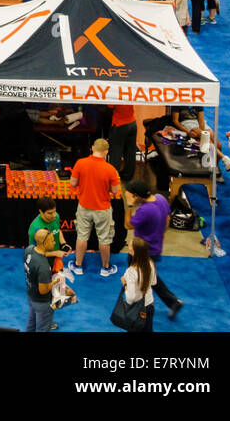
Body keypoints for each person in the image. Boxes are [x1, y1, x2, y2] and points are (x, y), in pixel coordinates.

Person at [124, 180, 183, 319]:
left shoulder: (145, 210)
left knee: (141, 277)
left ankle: (136, 304)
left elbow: (127, 225)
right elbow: (168, 219)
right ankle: (172, 302)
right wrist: (159, 234)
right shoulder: (161, 198)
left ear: (136, 196)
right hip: (155, 246)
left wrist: (129, 204)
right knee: (150, 276)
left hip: (141, 250)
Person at [66, 138, 122, 279]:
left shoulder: (80, 163)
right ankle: (105, 268)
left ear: (92, 148)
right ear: (106, 152)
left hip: (84, 206)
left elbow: (73, 182)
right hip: (103, 208)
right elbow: (115, 191)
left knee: (82, 235)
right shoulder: (111, 169)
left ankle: (78, 265)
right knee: (104, 239)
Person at [25, 227, 63, 332]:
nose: (55, 243)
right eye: (52, 241)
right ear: (44, 243)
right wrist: (55, 282)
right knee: (43, 329)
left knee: (31, 325)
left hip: (31, 294)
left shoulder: (29, 249)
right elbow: (43, 290)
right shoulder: (43, 266)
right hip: (42, 302)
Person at [118, 236, 158, 332]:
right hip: (149, 305)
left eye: (130, 246)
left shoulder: (131, 271)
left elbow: (130, 298)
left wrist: (125, 285)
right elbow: (154, 282)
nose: (129, 247)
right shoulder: (150, 264)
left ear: (134, 252)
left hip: (136, 310)